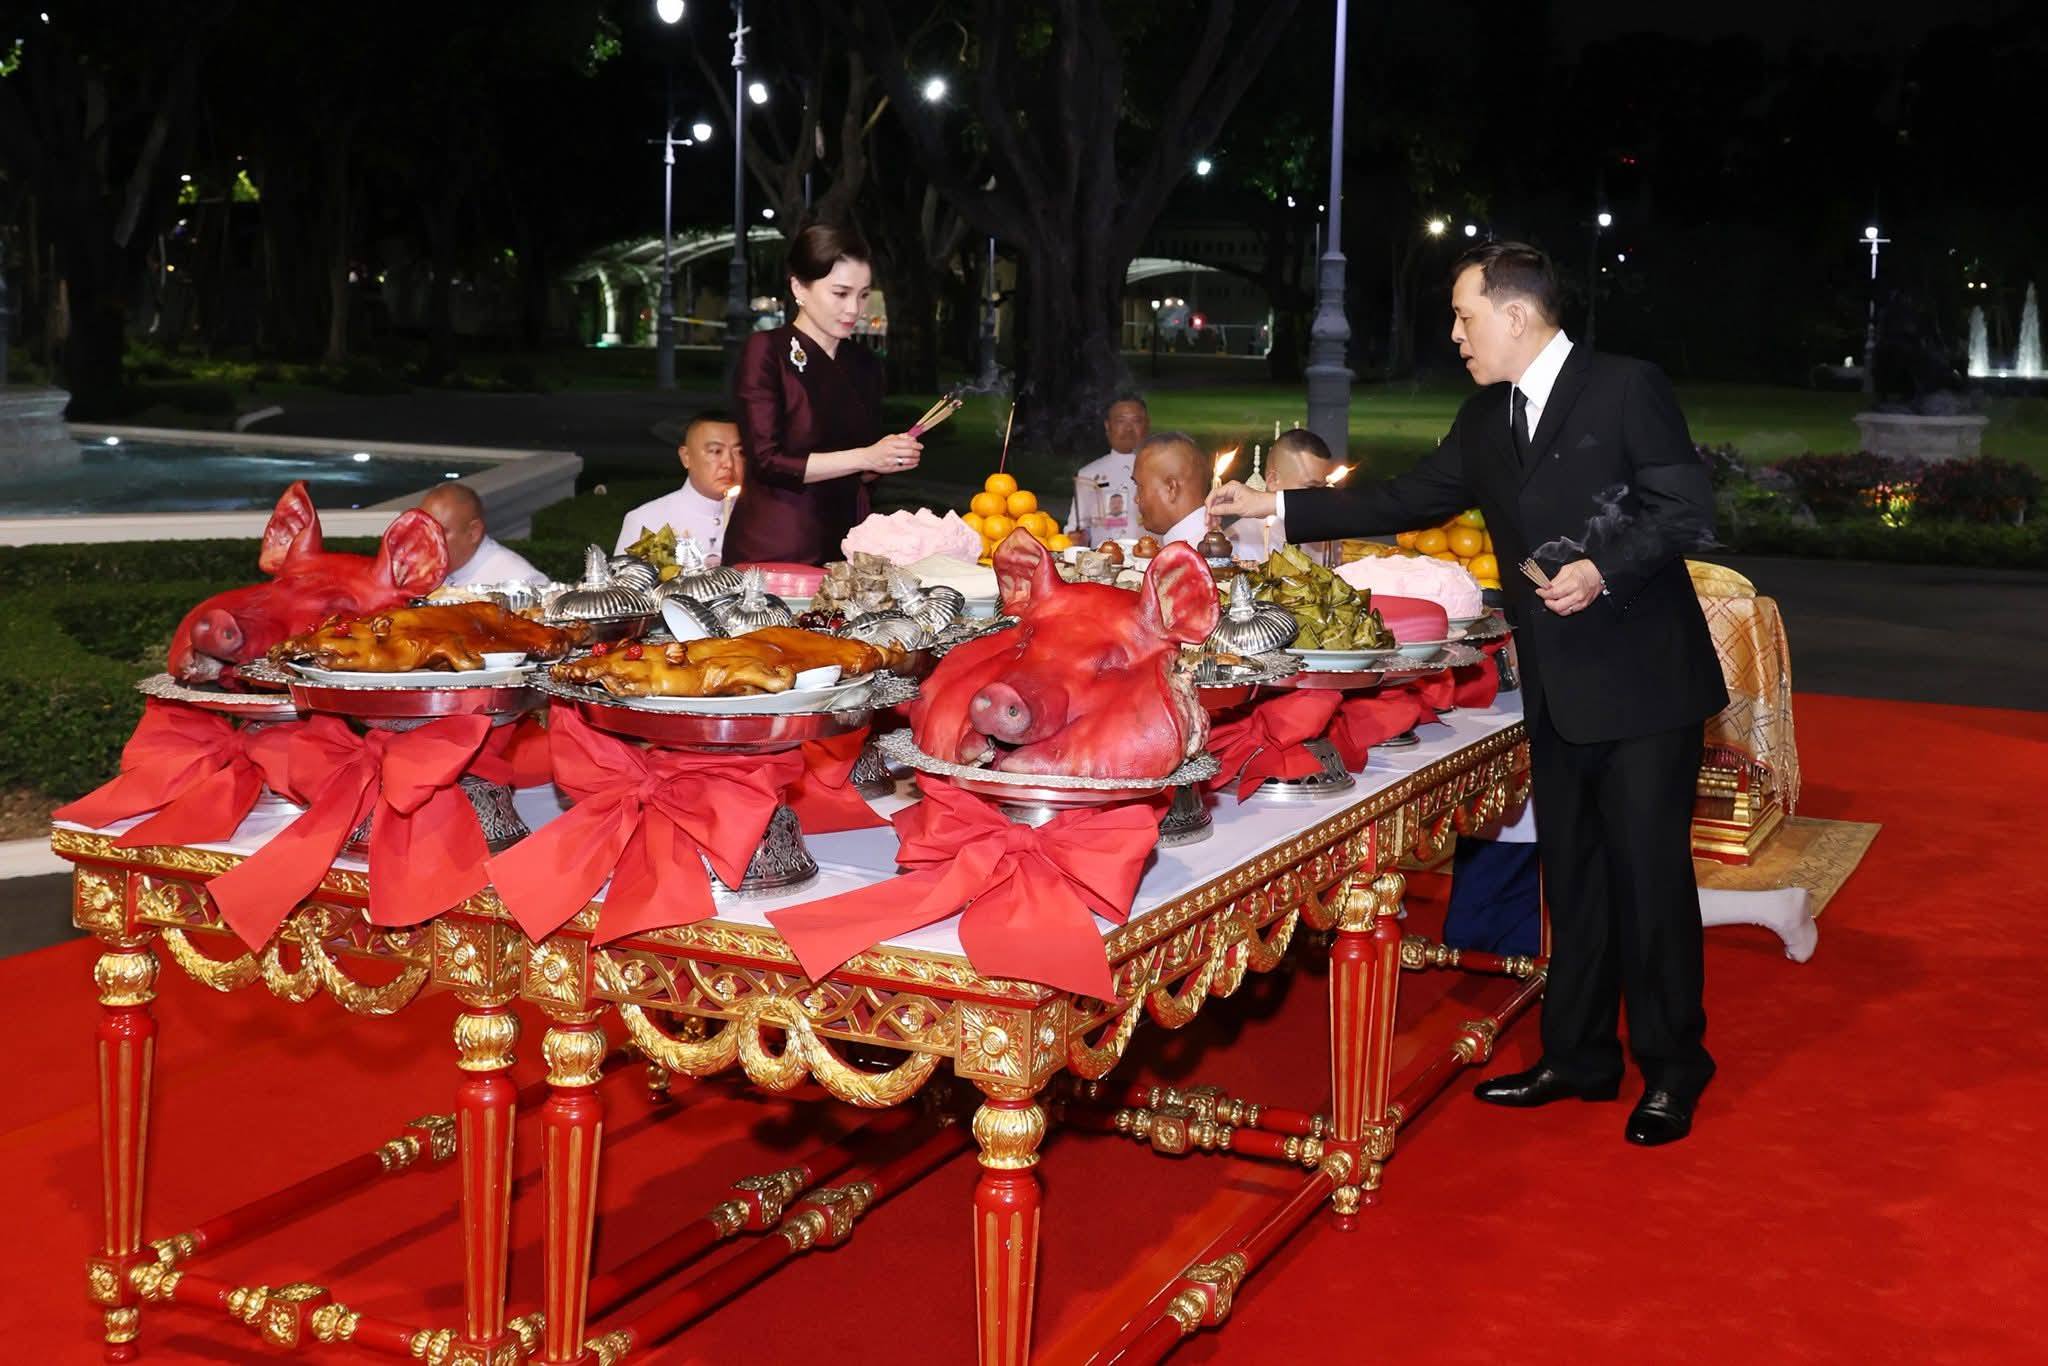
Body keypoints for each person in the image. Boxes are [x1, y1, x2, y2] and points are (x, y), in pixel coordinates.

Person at [1210, 241, 1727, 1146]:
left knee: (1648, 883)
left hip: (1646, 684)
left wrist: (1602, 568)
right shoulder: (1488, 414)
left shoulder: (1625, 386)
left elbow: (1685, 509)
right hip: (1559, 689)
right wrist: (1279, 509)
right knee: (1573, 880)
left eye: (1464, 316)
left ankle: (1673, 1068)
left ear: (1516, 315)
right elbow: (1408, 498)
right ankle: (1579, 1057)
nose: (1455, 335)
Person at [722, 223, 922, 566]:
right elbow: (768, 461)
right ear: (799, 287)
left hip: (846, 541)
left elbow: (860, 465)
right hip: (777, 544)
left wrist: (885, 460)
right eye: (840, 293)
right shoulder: (767, 351)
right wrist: (866, 457)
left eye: (863, 295)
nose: (854, 309)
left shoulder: (864, 364)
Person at [613, 411, 743, 560]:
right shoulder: (649, 522)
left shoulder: (760, 520)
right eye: (716, 451)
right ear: (686, 457)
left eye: (740, 452)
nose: (729, 463)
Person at [1227, 427, 1337, 560]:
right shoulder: (1239, 543)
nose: (1322, 499)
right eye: (1311, 487)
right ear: (1273, 481)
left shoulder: (1323, 536)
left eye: (1324, 488)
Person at [418, 483, 545, 587]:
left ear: (474, 532)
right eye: (423, 530)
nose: (426, 541)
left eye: (439, 532)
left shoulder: (523, 582)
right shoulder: (417, 572)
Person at [1066, 396, 1149, 546]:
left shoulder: (1161, 472)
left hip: (1151, 556)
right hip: (1103, 556)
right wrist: (1079, 537)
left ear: (1147, 425)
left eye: (1136, 421)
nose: (1128, 429)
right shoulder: (1089, 475)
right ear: (1107, 425)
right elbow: (1077, 528)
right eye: (1121, 421)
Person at [1131, 431, 1212, 548]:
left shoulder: (1190, 555)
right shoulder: (1217, 543)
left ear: (1171, 489)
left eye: (1140, 487)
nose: (1136, 499)